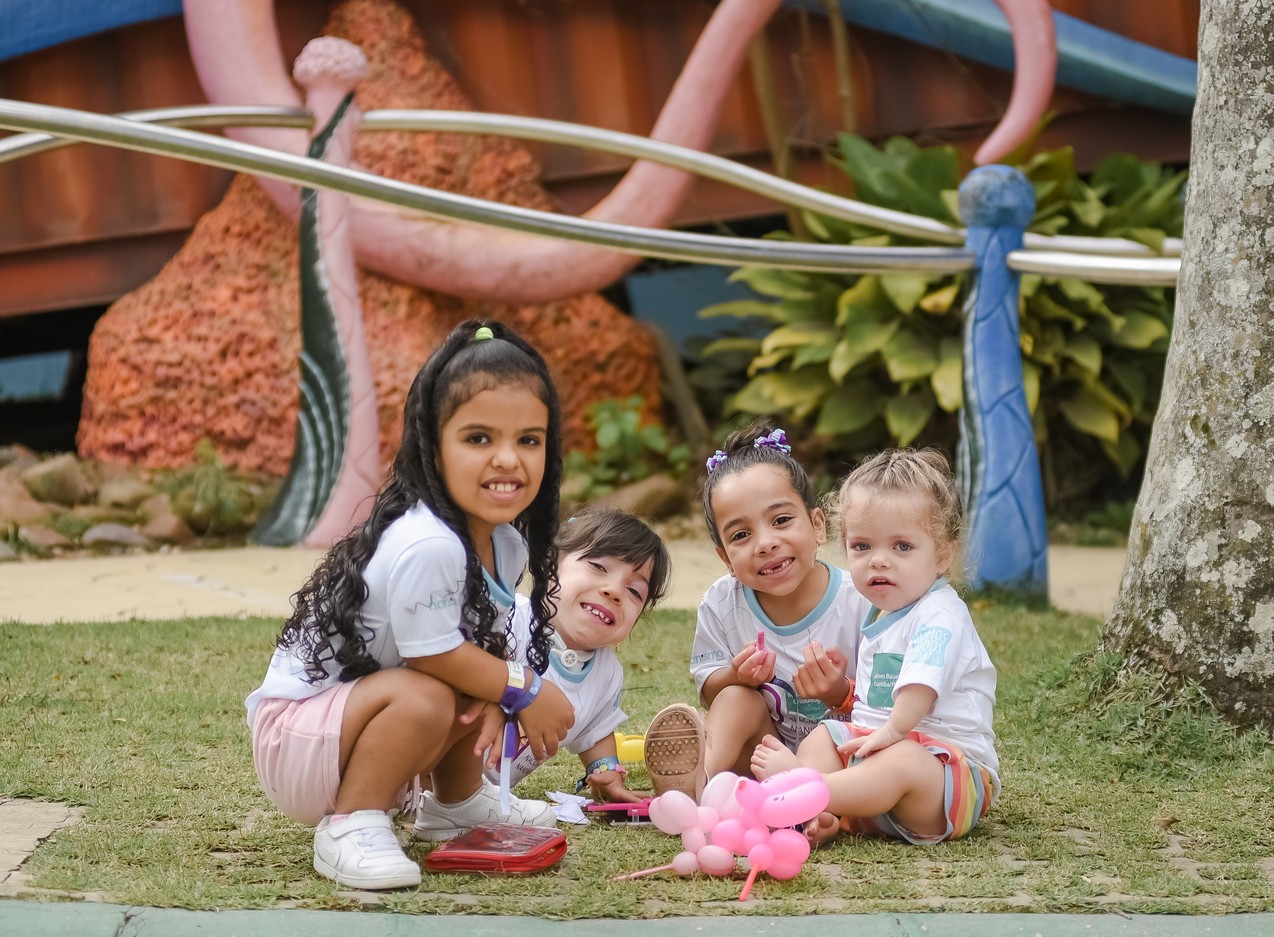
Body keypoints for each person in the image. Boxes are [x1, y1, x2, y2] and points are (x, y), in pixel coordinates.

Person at [244, 319, 576, 890]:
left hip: (356, 723)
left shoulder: (504, 542)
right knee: (432, 691)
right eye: (478, 439)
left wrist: (500, 692)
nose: (508, 460)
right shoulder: (429, 543)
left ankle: (457, 803)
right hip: (297, 742)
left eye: (529, 439)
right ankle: (350, 823)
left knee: (469, 676)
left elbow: (477, 653)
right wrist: (522, 688)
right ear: (433, 444)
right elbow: (435, 659)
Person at [750, 448, 1000, 849]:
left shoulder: (941, 614)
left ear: (943, 554)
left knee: (903, 760)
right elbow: (871, 704)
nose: (878, 562)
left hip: (945, 782)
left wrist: (893, 731)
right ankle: (820, 814)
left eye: (902, 547)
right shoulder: (881, 614)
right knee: (823, 737)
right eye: (863, 547)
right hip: (874, 769)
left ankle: (801, 790)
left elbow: (921, 687)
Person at [643, 422, 870, 799]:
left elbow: (887, 705)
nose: (765, 543)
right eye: (741, 535)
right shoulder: (722, 603)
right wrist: (736, 675)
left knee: (844, 740)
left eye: (781, 520)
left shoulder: (861, 602)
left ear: (817, 526)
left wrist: (838, 691)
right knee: (735, 698)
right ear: (725, 557)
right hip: (760, 760)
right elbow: (709, 689)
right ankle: (694, 786)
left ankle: (816, 807)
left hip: (842, 762)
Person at [486, 507, 672, 803]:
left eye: (634, 591)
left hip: (484, 792)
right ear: (549, 565)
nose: (614, 591)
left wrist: (605, 772)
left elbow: (595, 730)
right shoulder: (510, 620)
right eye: (598, 567)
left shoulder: (606, 672)